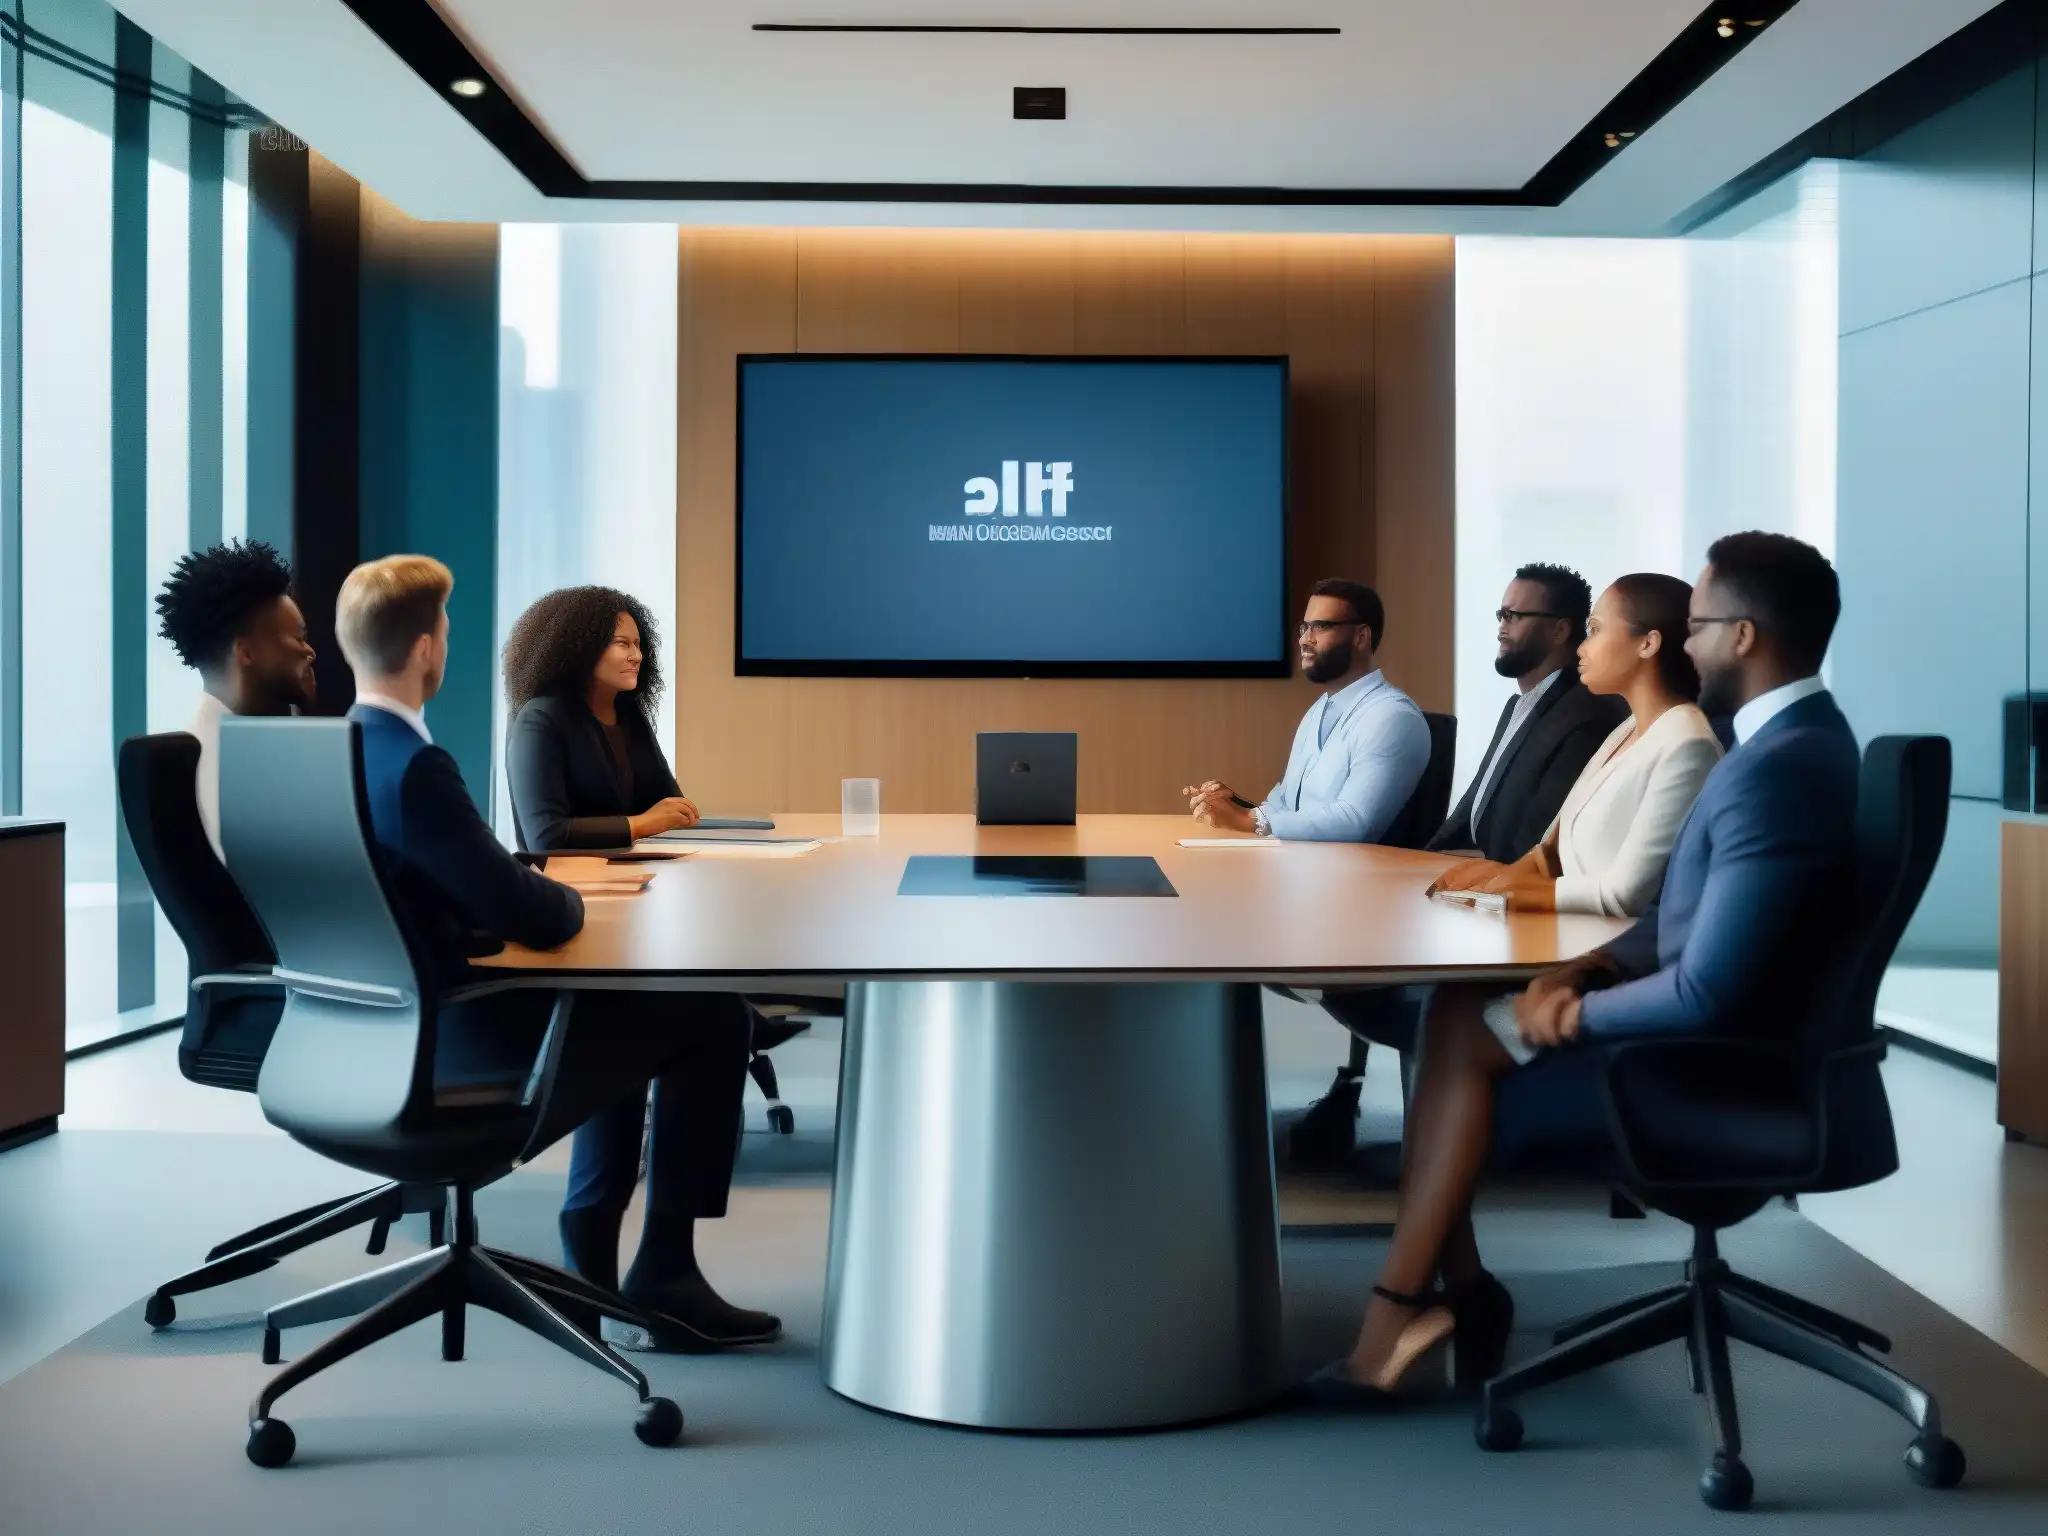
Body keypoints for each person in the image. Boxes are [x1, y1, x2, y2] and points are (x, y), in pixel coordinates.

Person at [1309, 532, 1859, 1402]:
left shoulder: (1775, 768)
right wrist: (1587, 968)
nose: (1689, 641)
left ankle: (1412, 1311)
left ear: (1744, 637)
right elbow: (1688, 910)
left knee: (1457, 1033)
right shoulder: (1783, 746)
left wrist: (1574, 1011)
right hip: (1687, 1013)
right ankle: (1437, 1299)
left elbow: (1707, 986)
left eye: (1702, 624)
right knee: (1454, 1017)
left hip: (1707, 1064)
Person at [336, 555, 779, 1352]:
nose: (634, 652)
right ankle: (661, 1273)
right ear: (430, 648)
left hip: (368, 1028)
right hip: (462, 1035)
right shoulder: (423, 768)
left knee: (638, 1008)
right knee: (712, 1018)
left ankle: (597, 1252)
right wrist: (577, 898)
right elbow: (534, 904)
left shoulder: (341, 752)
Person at [1426, 573, 1721, 916]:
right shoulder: (1628, 728)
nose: (1581, 647)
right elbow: (1551, 851)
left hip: (1603, 951)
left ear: (1647, 644)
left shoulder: (1687, 743)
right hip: (1567, 931)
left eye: (1595, 630)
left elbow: (1622, 895)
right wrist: (1493, 881)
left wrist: (1505, 894)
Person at [1184, 579, 1429, 842]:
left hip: (1351, 878)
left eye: (1320, 627)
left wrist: (1247, 822)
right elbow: (1284, 804)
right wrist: (1236, 806)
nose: (1304, 639)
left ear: (1361, 636)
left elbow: (1356, 821)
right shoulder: (1320, 709)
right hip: (1302, 867)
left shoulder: (1393, 718)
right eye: (1304, 627)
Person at [1429, 564, 1627, 862]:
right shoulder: (1519, 705)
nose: (1501, 628)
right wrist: (1424, 856)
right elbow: (1473, 806)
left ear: (1560, 630)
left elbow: (1536, 843)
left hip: (1513, 889)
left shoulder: (1587, 714)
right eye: (1501, 615)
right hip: (1476, 875)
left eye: (1513, 616)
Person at [153, 539, 318, 859]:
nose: (309, 652)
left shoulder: (252, 747)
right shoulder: (221, 772)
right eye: (299, 639)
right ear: (247, 653)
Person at [502, 587, 700, 849]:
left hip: (628, 876)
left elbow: (670, 808)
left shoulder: (630, 715)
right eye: (622, 643)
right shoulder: (539, 718)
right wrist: (641, 824)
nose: (637, 656)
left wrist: (673, 815)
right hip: (563, 886)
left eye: (638, 645)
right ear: (581, 646)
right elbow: (545, 837)